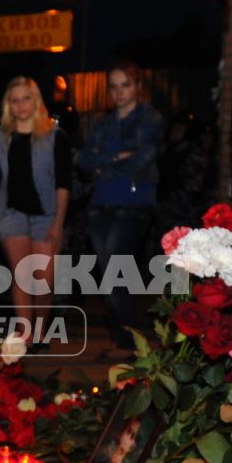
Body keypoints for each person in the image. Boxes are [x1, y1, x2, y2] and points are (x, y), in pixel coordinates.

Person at [77, 60, 164, 348]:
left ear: (138, 86)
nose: (119, 92)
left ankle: (129, 339)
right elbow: (84, 160)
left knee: (114, 268)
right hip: (100, 204)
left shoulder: (150, 119)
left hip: (134, 203)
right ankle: (122, 334)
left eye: (125, 85)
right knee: (109, 272)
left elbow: (142, 160)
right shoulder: (103, 124)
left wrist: (105, 164)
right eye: (113, 86)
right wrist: (116, 159)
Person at [0, 75, 72, 344]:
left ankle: (41, 330)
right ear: (8, 105)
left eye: (26, 98)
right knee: (21, 276)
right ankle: (25, 334)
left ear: (36, 100)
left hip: (46, 215)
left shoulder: (54, 136)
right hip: (11, 215)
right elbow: (0, 177)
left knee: (44, 280)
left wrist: (58, 223)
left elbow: (63, 184)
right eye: (14, 101)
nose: (21, 105)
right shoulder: (2, 137)